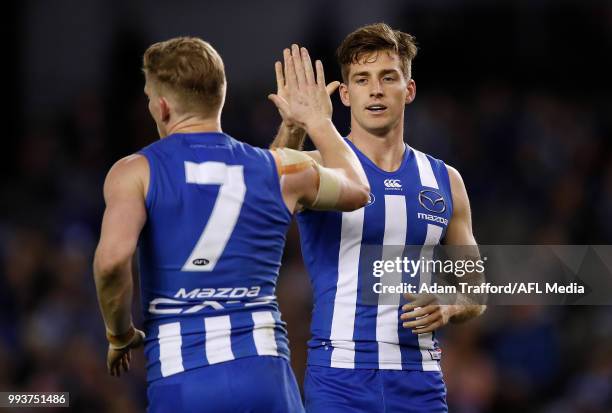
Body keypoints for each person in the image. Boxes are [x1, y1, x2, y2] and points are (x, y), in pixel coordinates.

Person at [93, 37, 369, 413]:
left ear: (161, 106)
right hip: (266, 376)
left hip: (183, 379)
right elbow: (357, 187)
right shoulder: (280, 169)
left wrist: (119, 333)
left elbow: (112, 261)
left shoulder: (134, 172)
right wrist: (315, 122)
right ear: (219, 96)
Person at [271, 23, 486, 412]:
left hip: (419, 381)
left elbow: (474, 288)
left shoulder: (445, 180)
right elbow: (268, 195)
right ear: (346, 94)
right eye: (362, 79)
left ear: (410, 89)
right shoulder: (318, 168)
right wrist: (293, 127)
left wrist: (449, 304)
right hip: (339, 380)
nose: (375, 89)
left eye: (388, 77)